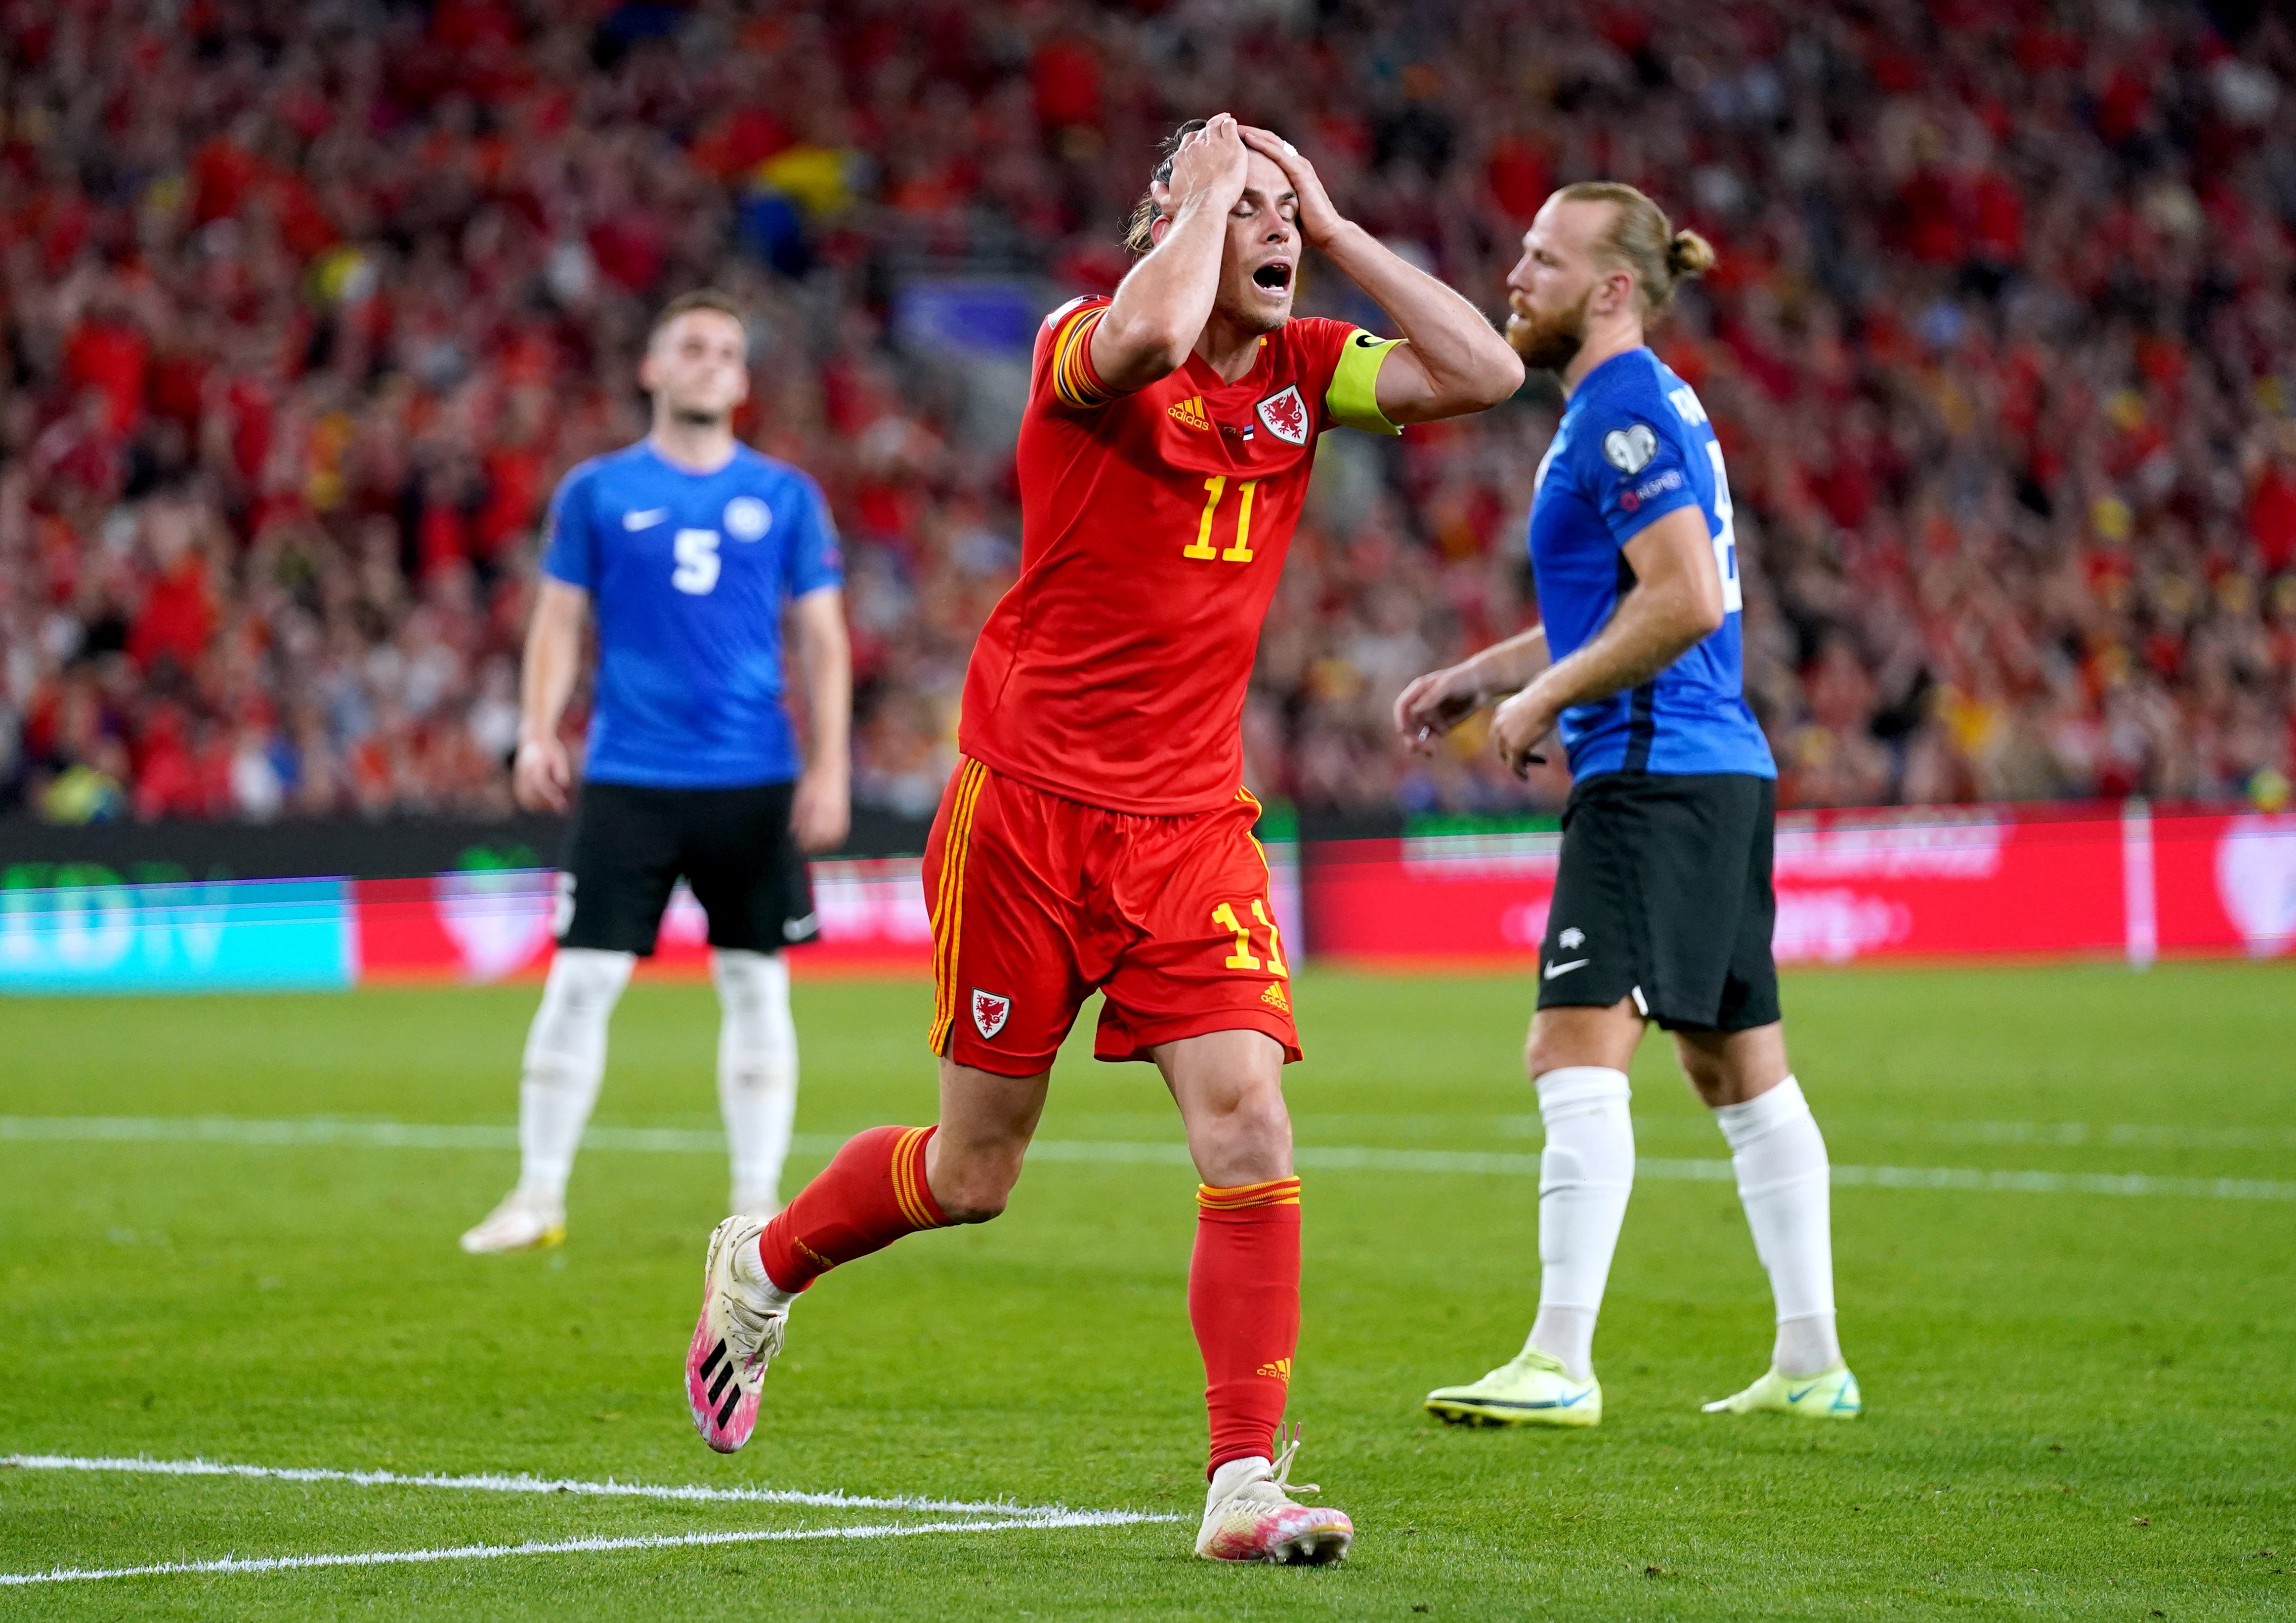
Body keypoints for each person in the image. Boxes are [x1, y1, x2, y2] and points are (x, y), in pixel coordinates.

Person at [681, 114, 1522, 1565]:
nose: (1267, 231)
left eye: (1280, 214)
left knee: (1247, 1115)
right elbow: (1140, 340)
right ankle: (759, 1264)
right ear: (1172, 219)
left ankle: (1241, 1478)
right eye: (1241, 209)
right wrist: (1202, 201)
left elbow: (1485, 369)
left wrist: (1325, 227)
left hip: (1188, 825)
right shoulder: (1084, 340)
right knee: (971, 1172)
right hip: (1024, 818)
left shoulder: (1309, 375)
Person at [1396, 183, 1859, 1428]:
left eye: (1544, 260)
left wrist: (1543, 694)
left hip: (1655, 771)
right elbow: (1634, 596)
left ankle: (1560, 1358)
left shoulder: (1620, 413)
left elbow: (1689, 598)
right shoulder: (1635, 405)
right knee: (1732, 1063)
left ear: (1611, 289)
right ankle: (1812, 1358)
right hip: (1710, 767)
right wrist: (1486, 674)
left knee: (1571, 1043)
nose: (1514, 275)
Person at [459, 290, 851, 1254]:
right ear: (652, 367)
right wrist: (538, 728)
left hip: (752, 774)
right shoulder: (595, 491)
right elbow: (557, 620)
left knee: (756, 985)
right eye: (691, 345)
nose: (711, 360)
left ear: (745, 379)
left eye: (727, 348)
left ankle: (756, 1205)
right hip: (628, 770)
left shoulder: (787, 495)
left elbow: (822, 637)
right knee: (583, 978)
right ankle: (538, 1194)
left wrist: (832, 765)